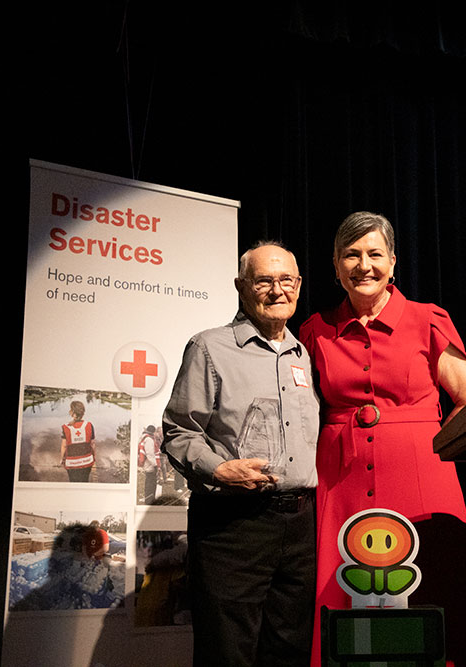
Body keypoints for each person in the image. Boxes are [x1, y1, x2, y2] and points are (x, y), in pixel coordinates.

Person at [300, 212, 466, 666]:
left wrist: (431, 449)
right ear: (335, 266)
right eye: (351, 255)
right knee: (343, 590)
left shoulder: (427, 320)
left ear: (393, 261)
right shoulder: (315, 331)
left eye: (373, 253)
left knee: (432, 587)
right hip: (341, 481)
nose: (363, 265)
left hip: (422, 476)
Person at [161, 241, 320, 667]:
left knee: (288, 649)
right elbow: (178, 432)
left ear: (299, 285)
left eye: (286, 280)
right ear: (241, 286)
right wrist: (219, 468)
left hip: (300, 524)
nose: (276, 290)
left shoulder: (301, 354)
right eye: (264, 280)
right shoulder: (210, 348)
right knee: (228, 652)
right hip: (233, 524)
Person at [60, 400, 95, 482]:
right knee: (85, 481)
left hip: (71, 463)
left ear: (72, 413)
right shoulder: (89, 425)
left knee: (73, 482)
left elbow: (64, 446)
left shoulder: (66, 427)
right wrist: (94, 457)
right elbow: (92, 444)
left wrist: (62, 459)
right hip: (87, 461)